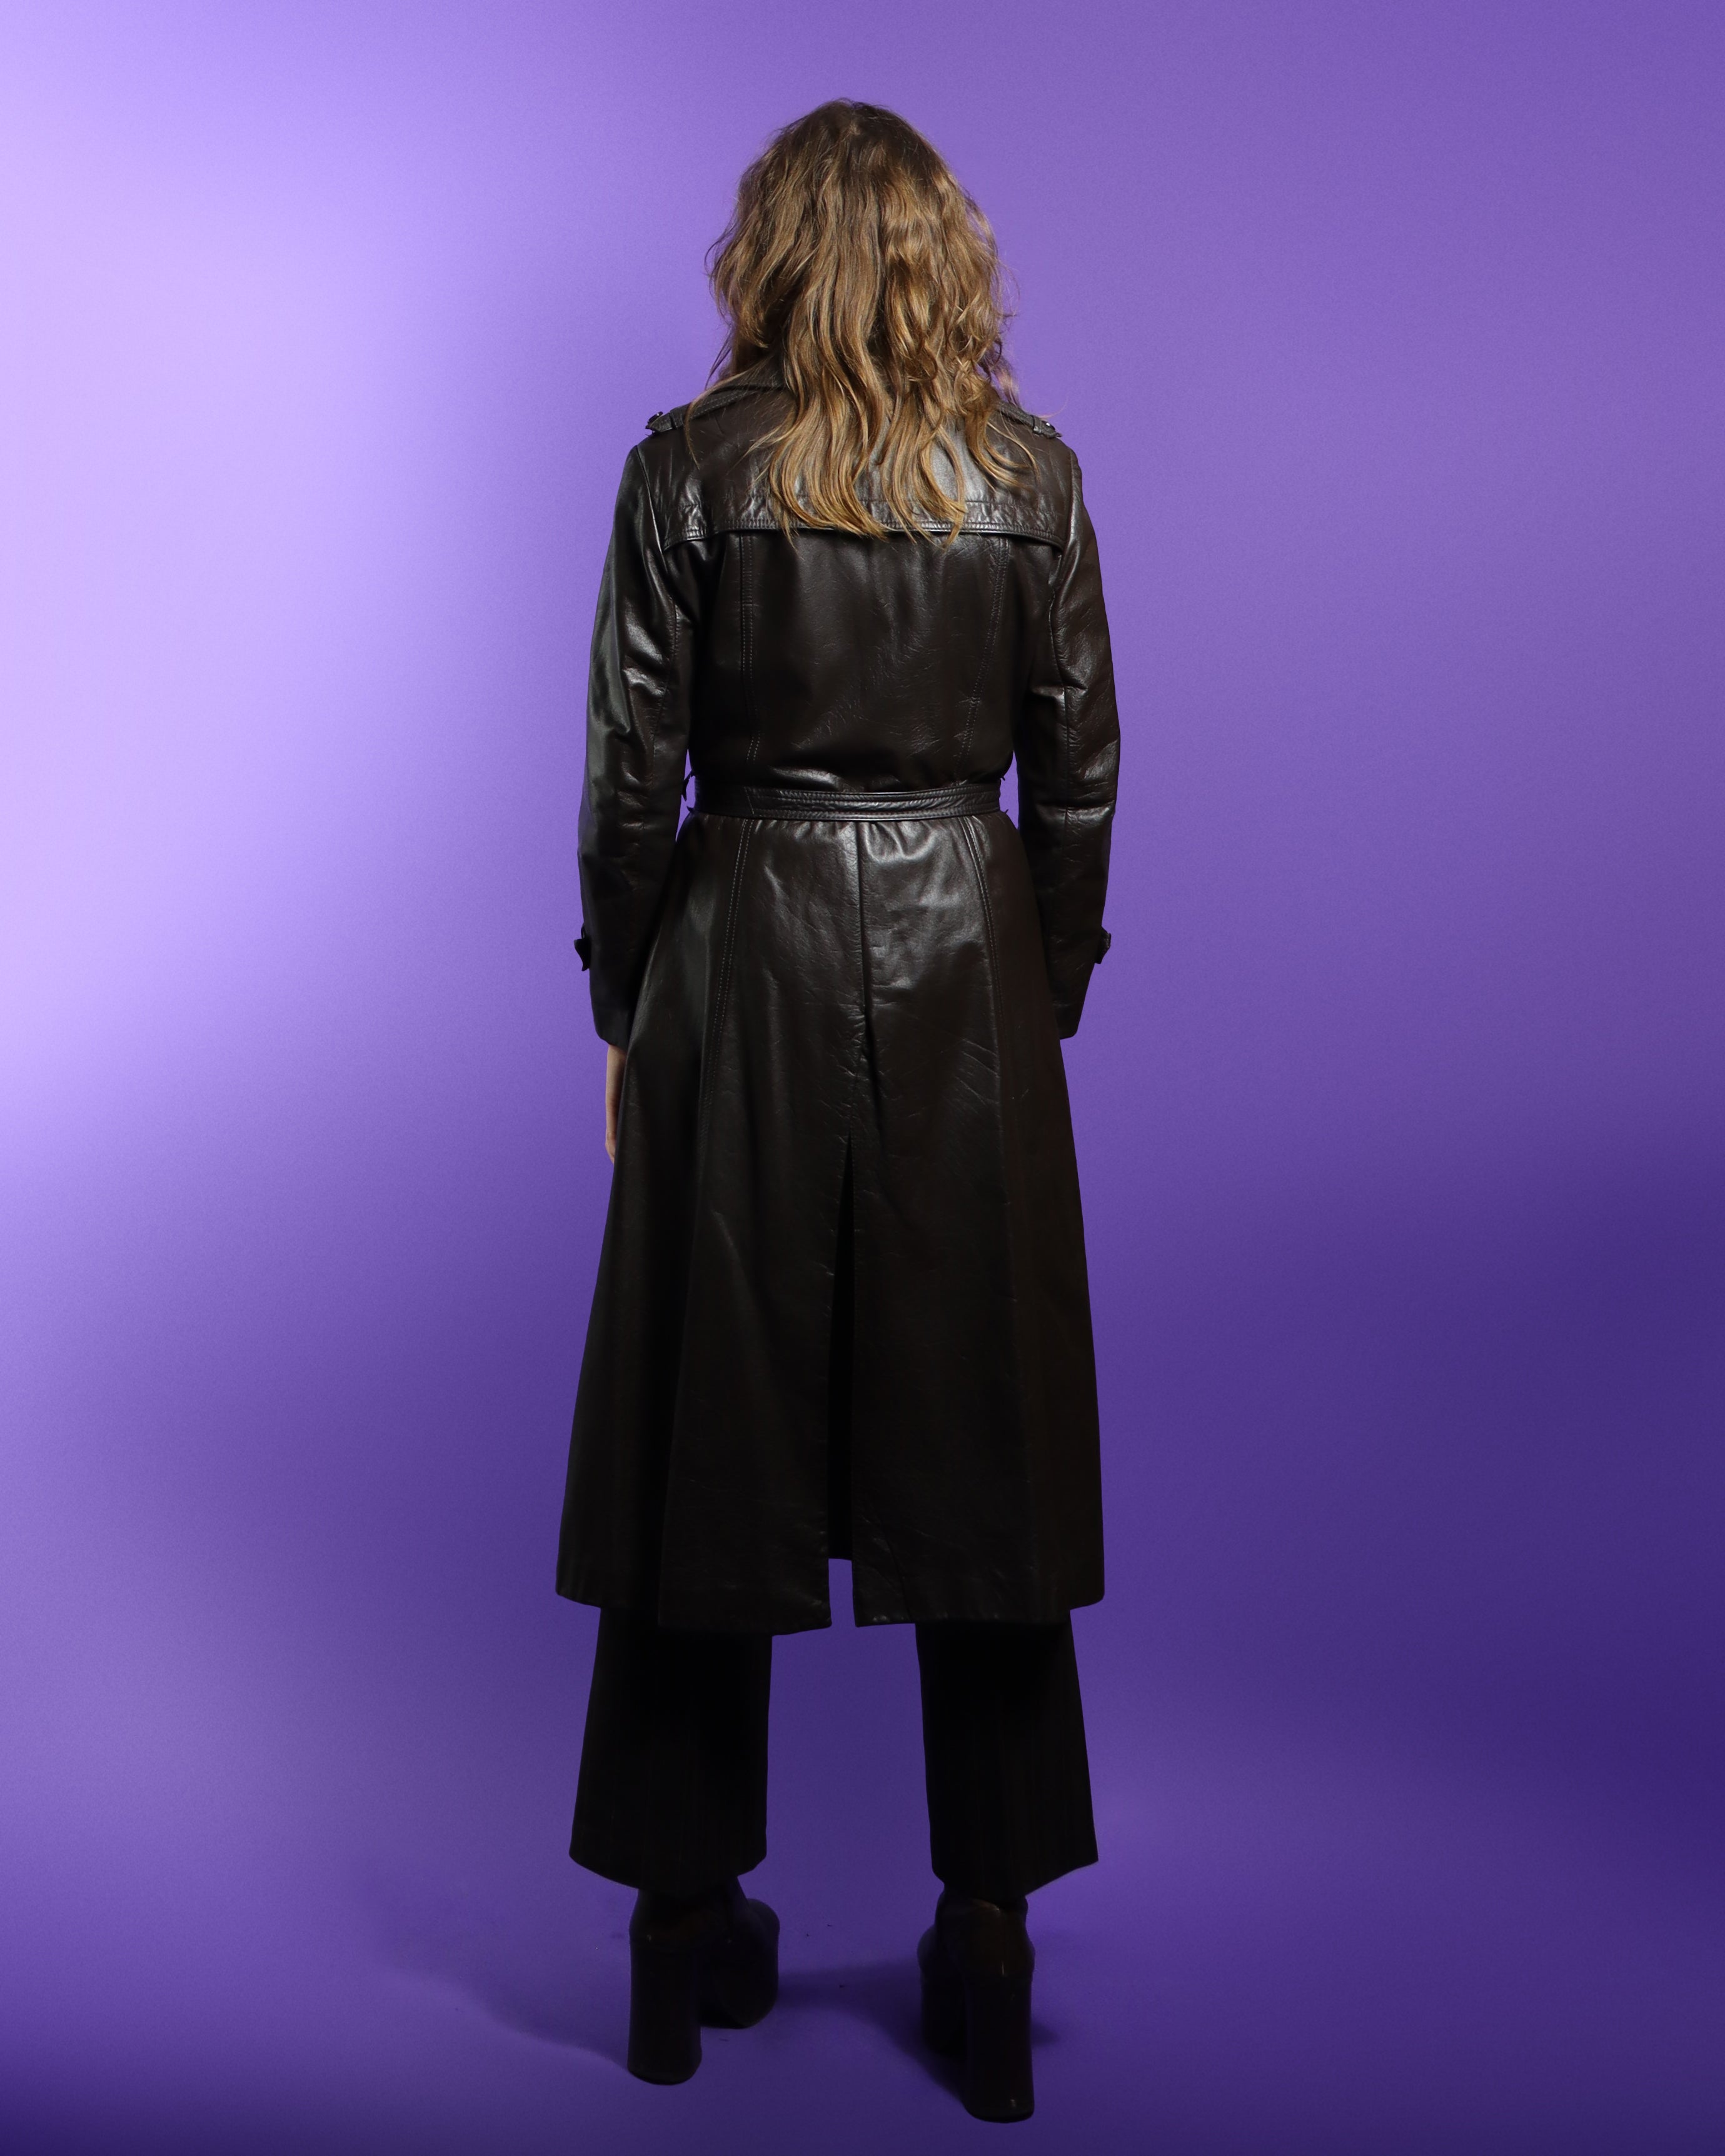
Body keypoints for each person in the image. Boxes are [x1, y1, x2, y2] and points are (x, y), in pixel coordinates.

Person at [557, 99, 1119, 2123]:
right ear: (944, 259)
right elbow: (1079, 778)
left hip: (741, 968)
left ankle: (675, 1931)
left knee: (704, 1434)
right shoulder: (1030, 480)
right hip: (966, 972)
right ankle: (991, 1936)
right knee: (986, 1456)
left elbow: (630, 780)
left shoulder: (683, 473)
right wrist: (1036, 999)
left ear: (771, 255)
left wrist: (629, 1003)